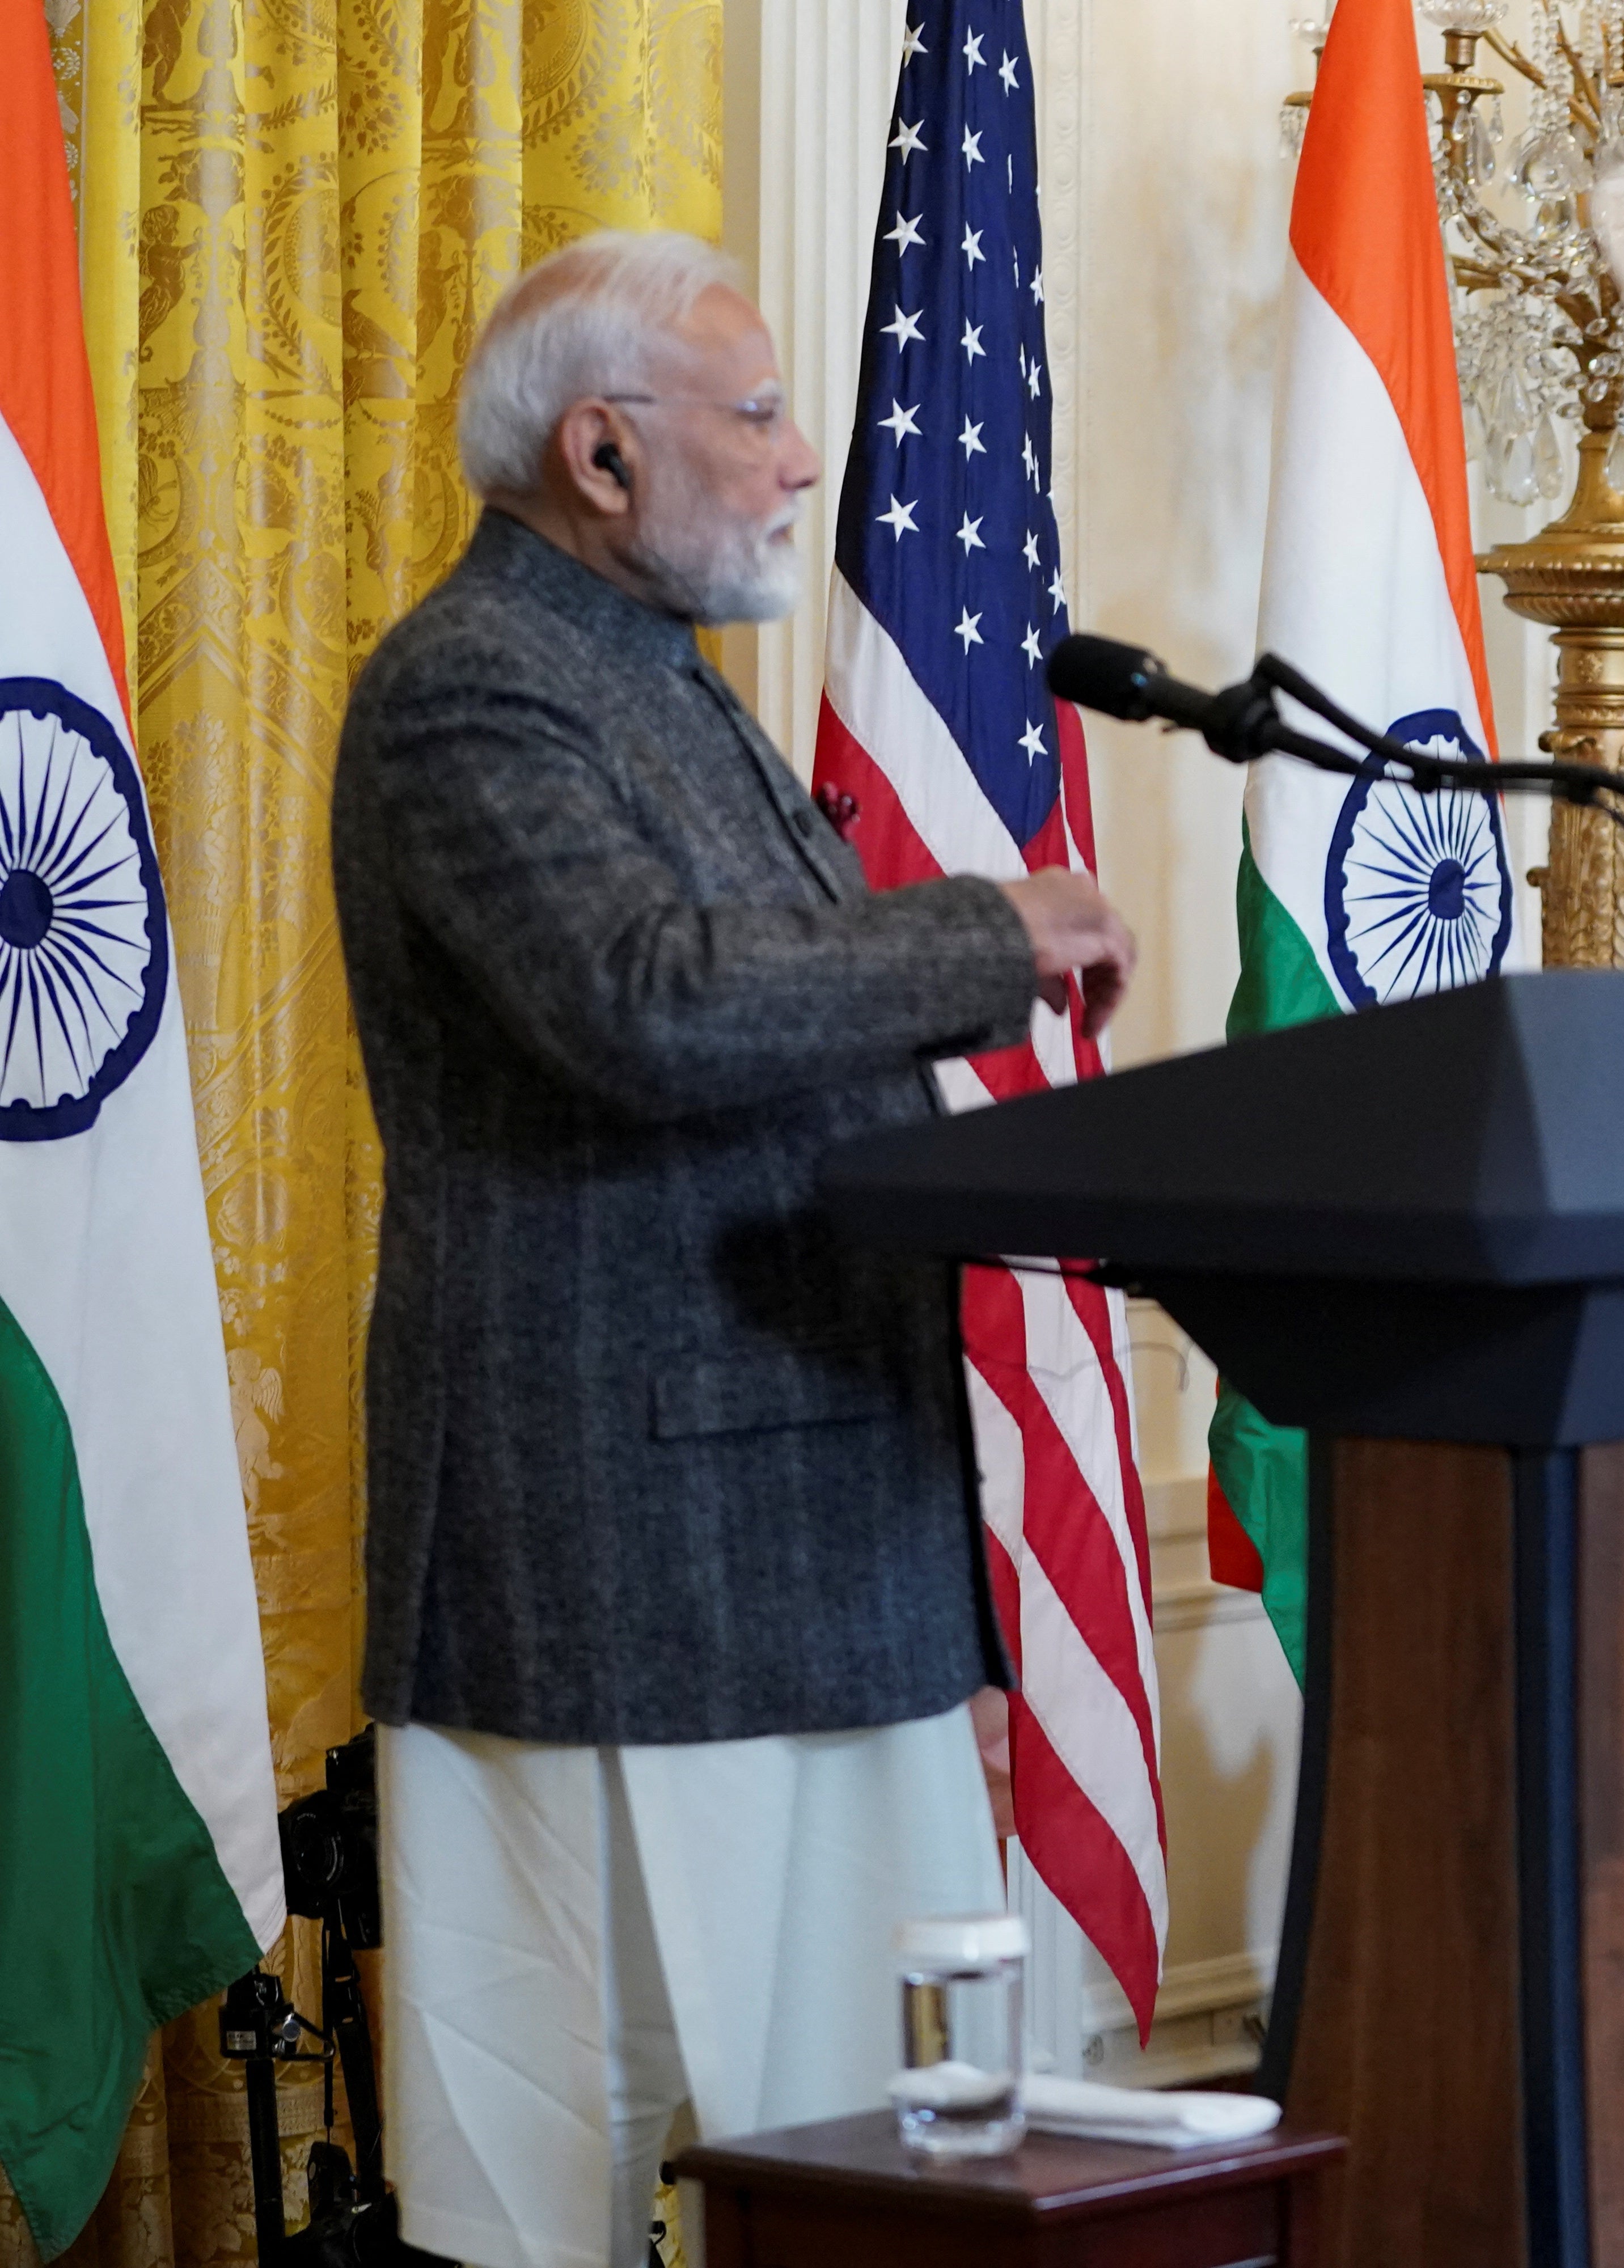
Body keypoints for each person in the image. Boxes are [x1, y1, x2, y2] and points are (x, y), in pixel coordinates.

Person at [330, 230, 1135, 2268]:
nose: (801, 467)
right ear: (601, 455)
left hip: (802, 1530)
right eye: (760, 413)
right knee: (573, 2170)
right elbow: (645, 1000)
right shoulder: (470, 688)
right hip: (616, 1560)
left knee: (889, 2145)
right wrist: (983, 937)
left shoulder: (655, 684)